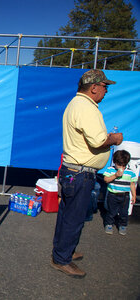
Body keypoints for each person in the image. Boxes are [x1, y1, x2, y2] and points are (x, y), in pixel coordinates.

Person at [51, 69, 123, 278]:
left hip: (72, 171)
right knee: (73, 218)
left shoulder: (76, 104)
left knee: (67, 216)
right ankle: (61, 259)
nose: (106, 90)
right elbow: (98, 141)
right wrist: (115, 138)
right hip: (80, 173)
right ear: (94, 87)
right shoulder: (86, 108)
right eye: (104, 86)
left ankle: (63, 252)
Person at [103, 150, 137, 235]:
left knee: (124, 212)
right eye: (119, 165)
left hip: (125, 196)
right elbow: (106, 180)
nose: (121, 167)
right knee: (111, 211)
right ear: (114, 162)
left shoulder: (130, 172)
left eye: (124, 165)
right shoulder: (110, 170)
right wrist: (115, 175)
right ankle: (109, 224)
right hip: (113, 194)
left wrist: (134, 195)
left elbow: (132, 184)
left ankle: (123, 225)